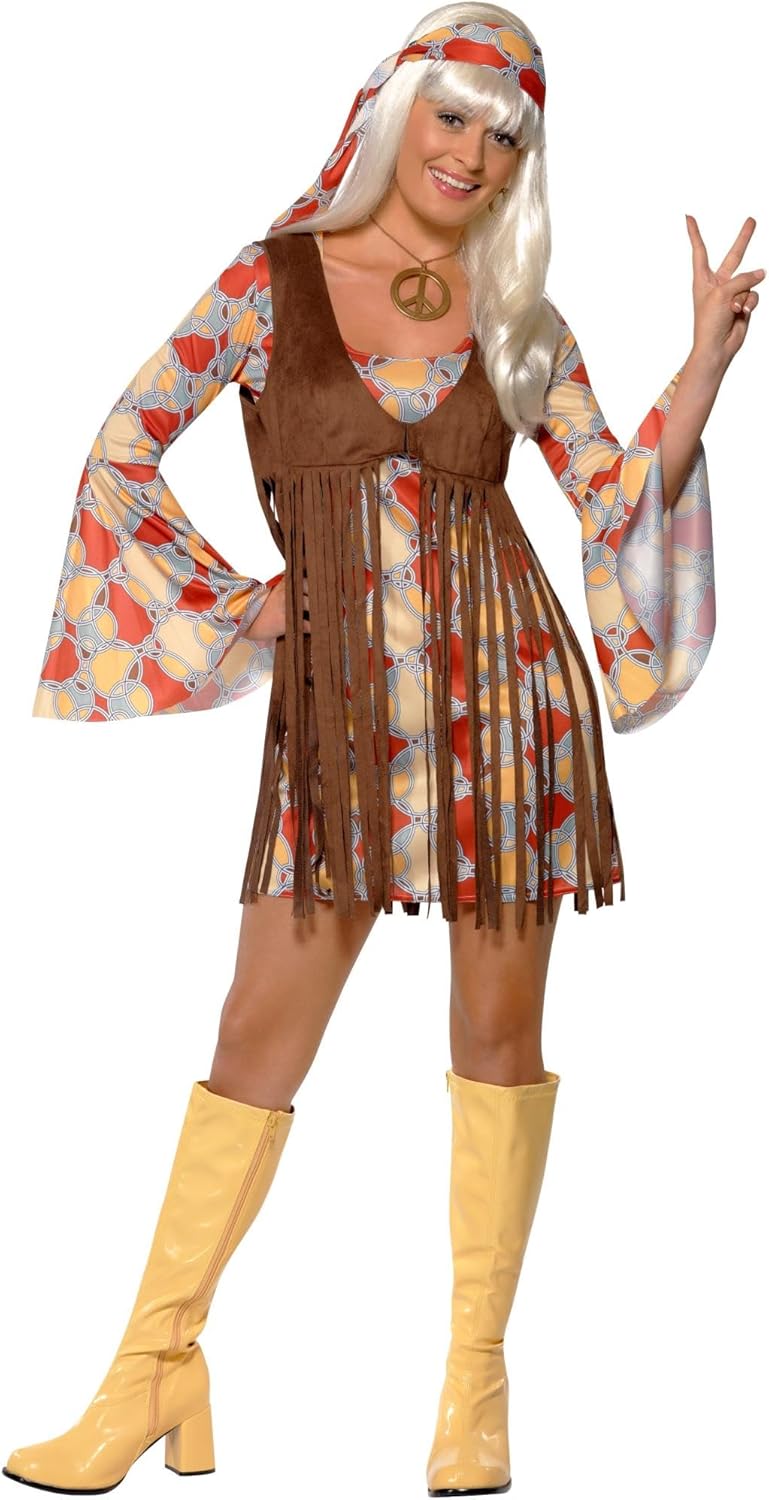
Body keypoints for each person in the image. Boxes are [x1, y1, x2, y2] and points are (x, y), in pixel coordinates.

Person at [5, 4, 760, 1495]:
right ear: (392, 112)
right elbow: (120, 446)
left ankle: (475, 1389)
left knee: (495, 1041)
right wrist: (249, 605)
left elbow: (614, 500)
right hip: (342, 726)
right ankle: (152, 1370)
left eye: (505, 134)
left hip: (510, 714)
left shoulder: (520, 309)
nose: (473, 152)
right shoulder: (268, 281)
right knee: (253, 1041)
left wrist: (703, 368)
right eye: (453, 115)